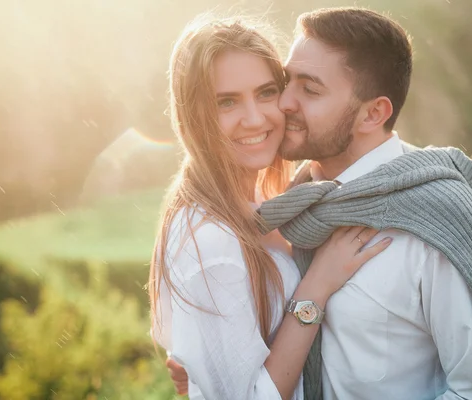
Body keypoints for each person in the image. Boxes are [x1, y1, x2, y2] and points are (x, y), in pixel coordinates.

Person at [167, 7, 472, 400]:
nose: (285, 104)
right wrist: (214, 367)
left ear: (373, 113)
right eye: (286, 81)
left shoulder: (435, 224)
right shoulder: (297, 206)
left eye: (309, 89)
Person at [147, 15, 393, 400]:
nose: (255, 118)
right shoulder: (212, 244)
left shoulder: (269, 206)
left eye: (265, 93)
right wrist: (316, 286)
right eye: (226, 101)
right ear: (194, 117)